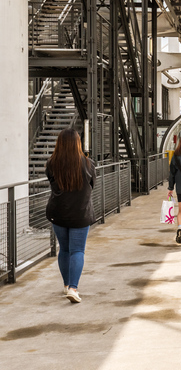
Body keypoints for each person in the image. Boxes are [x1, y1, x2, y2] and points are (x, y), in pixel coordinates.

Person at [45, 129, 95, 304]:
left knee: (64, 250)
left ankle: (66, 285)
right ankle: (73, 288)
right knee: (77, 250)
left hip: (58, 213)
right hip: (80, 213)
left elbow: (52, 184)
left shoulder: (51, 164)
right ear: (77, 143)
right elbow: (92, 185)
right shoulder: (88, 164)